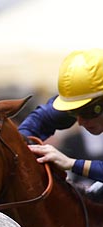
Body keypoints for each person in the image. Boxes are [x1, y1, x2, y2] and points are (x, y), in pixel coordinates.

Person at [21, 48, 103, 181]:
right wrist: (20, 144)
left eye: (87, 112)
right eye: (74, 112)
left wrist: (70, 163)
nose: (80, 122)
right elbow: (41, 119)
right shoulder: (83, 100)